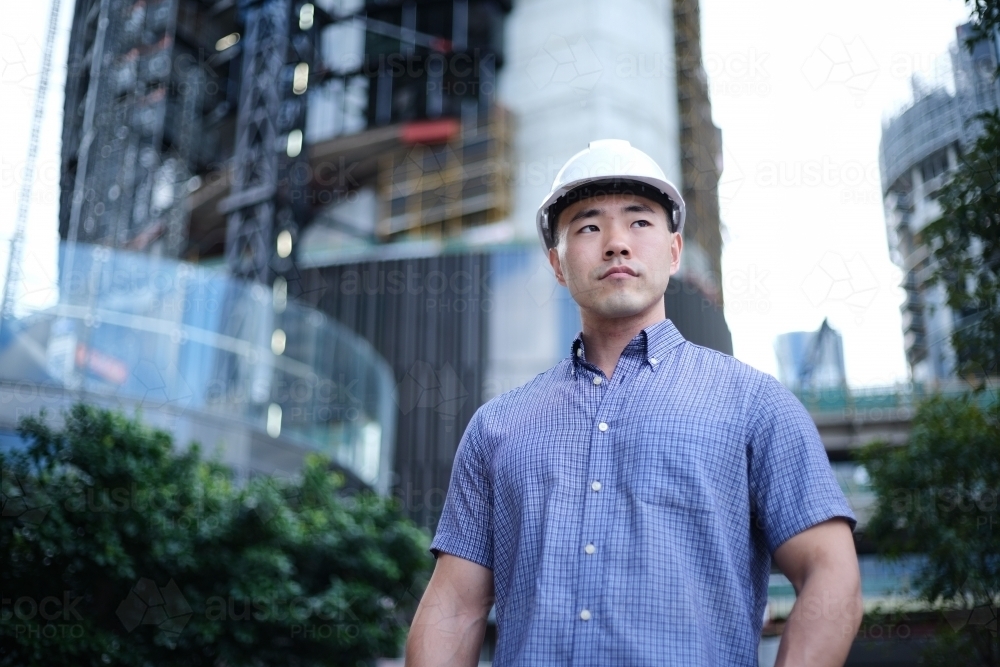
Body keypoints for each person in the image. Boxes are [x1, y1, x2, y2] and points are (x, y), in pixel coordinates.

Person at [405, 140, 862, 666]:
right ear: (557, 263)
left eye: (640, 222)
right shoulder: (498, 427)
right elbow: (454, 609)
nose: (616, 243)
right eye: (589, 226)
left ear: (673, 250)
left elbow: (832, 575)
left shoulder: (754, 405)